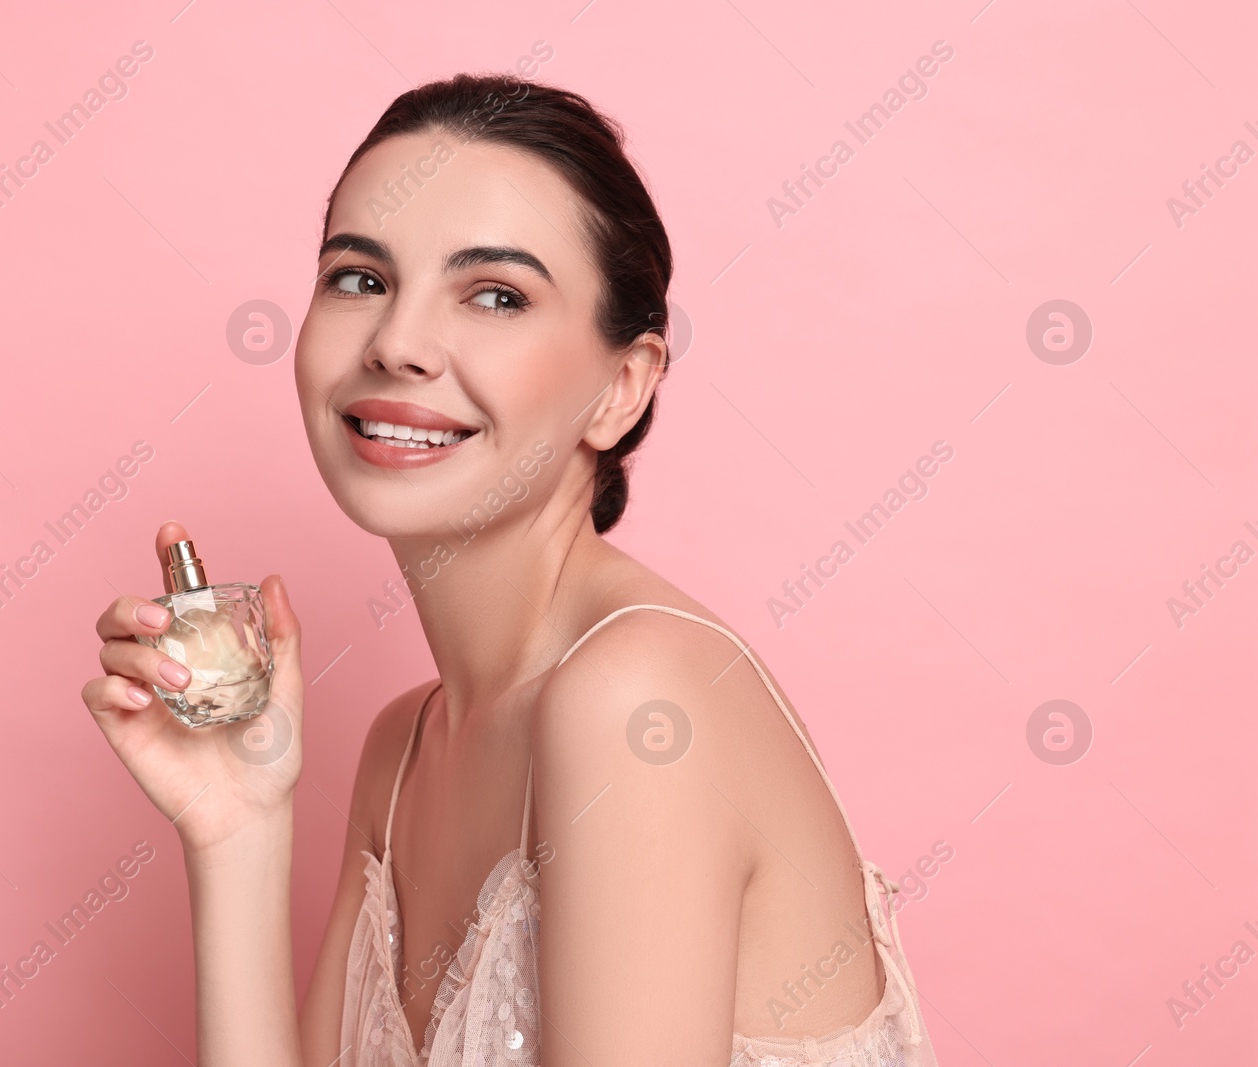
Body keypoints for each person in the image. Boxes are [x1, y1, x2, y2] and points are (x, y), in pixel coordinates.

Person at [82, 72, 937, 1066]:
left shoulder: (635, 701)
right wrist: (235, 829)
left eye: (494, 294)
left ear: (621, 389)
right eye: (360, 277)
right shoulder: (401, 751)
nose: (397, 343)